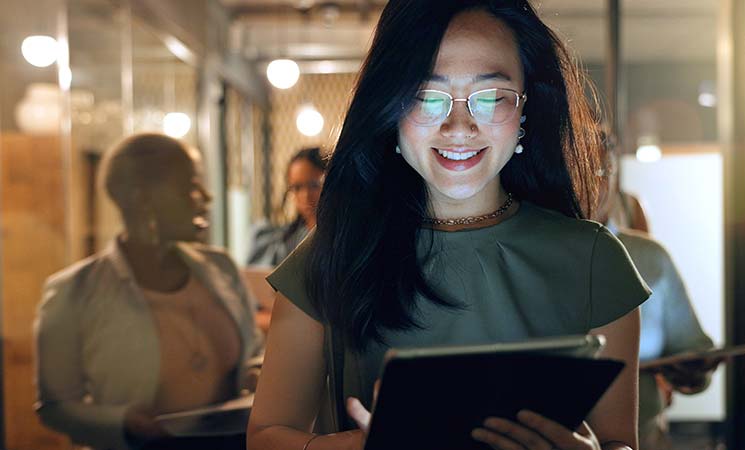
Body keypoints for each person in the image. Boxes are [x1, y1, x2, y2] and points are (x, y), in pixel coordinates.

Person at [247, 1, 651, 450]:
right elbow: (265, 437)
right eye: (426, 96)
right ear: (391, 106)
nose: (459, 126)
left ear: (525, 112)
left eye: (491, 97)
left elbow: (620, 443)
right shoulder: (333, 253)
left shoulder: (594, 261)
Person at [34, 133, 263, 450]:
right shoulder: (74, 291)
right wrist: (124, 421)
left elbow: (254, 351)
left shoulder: (221, 268)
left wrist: (254, 373)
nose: (205, 197)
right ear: (141, 198)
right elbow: (55, 407)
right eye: (189, 185)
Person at [597, 153, 717, 449]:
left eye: (603, 170)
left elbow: (689, 346)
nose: (594, 181)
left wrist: (693, 367)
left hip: (642, 436)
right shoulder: (531, 252)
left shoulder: (650, 257)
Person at [246, 147, 326, 268]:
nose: (306, 196)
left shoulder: (341, 238)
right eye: (297, 187)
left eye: (314, 185)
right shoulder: (282, 242)